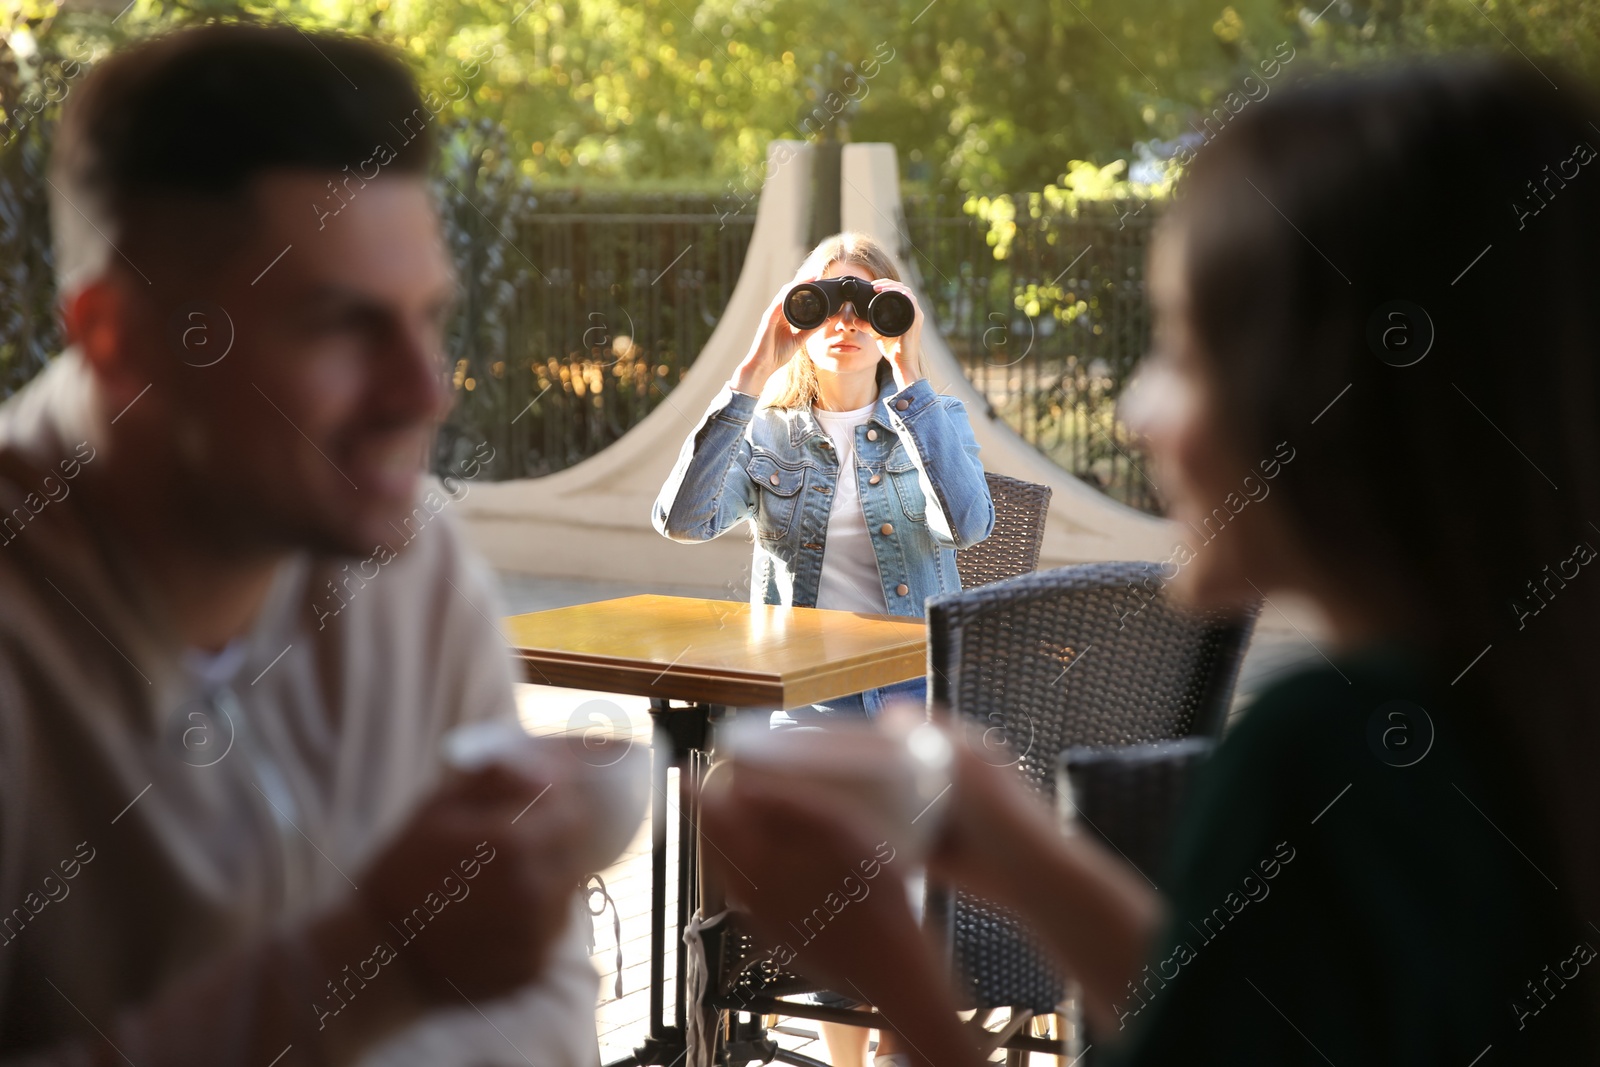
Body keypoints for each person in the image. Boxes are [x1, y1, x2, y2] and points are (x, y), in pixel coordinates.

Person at [699, 57, 1600, 1065]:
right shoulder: (1511, 723)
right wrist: (1028, 853)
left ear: (1323, 399)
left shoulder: (1323, 751)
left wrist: (891, 967)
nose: (1134, 413)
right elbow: (1257, 1020)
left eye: (1178, 350)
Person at [0, 24, 603, 1066]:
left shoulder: (416, 561)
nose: (425, 392)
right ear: (116, 337)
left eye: (427, 319)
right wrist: (371, 964)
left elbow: (546, 1003)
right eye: (337, 323)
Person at [652, 231, 994, 724]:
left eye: (867, 304)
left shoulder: (937, 418)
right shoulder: (766, 431)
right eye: (827, 303)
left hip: (918, 692)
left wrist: (909, 371)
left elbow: (968, 526)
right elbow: (683, 522)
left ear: (892, 318)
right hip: (802, 693)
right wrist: (753, 371)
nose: (847, 322)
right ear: (799, 315)